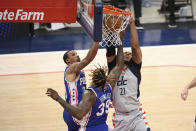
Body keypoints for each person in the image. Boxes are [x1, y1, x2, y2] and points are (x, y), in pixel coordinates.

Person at [46, 42, 124, 131]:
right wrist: (96, 43)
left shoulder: (79, 72)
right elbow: (88, 59)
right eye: (73, 55)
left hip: (75, 110)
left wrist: (99, 102)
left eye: (76, 53)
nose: (77, 55)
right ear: (68, 60)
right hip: (74, 111)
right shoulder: (71, 69)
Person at [106, 17, 150, 131]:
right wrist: (111, 32)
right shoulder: (113, 68)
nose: (127, 53)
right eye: (124, 52)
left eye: (129, 53)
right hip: (119, 116)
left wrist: (131, 23)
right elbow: (110, 50)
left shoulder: (135, 67)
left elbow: (135, 46)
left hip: (136, 115)